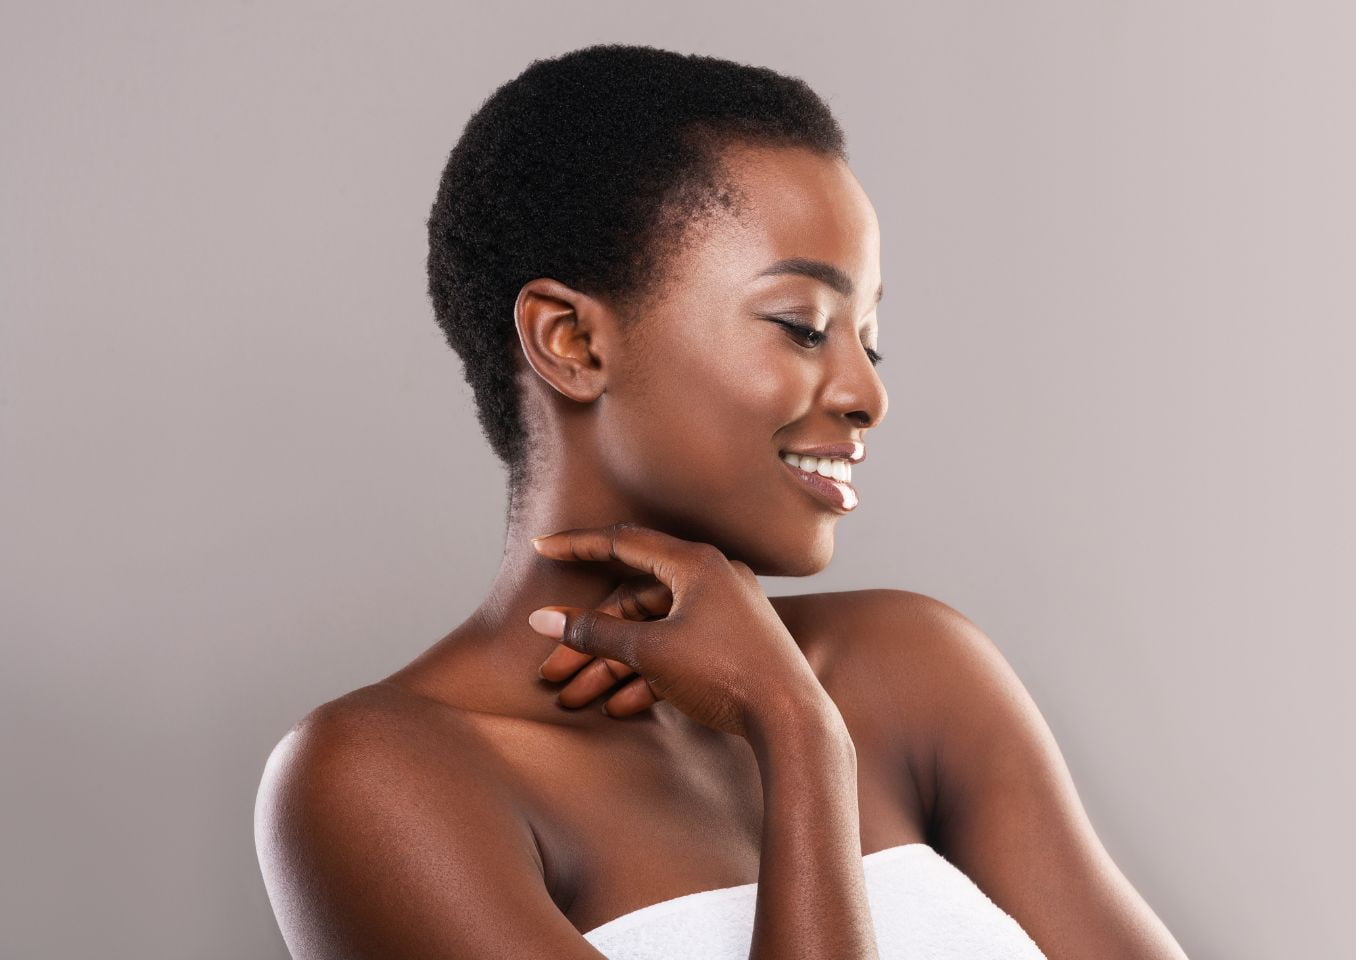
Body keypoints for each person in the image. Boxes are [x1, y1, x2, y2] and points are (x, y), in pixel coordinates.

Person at [253, 43, 1190, 960]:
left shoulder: (919, 675)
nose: (868, 394)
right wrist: (796, 731)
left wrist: (791, 700)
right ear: (572, 342)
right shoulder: (385, 780)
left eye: (870, 339)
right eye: (802, 326)